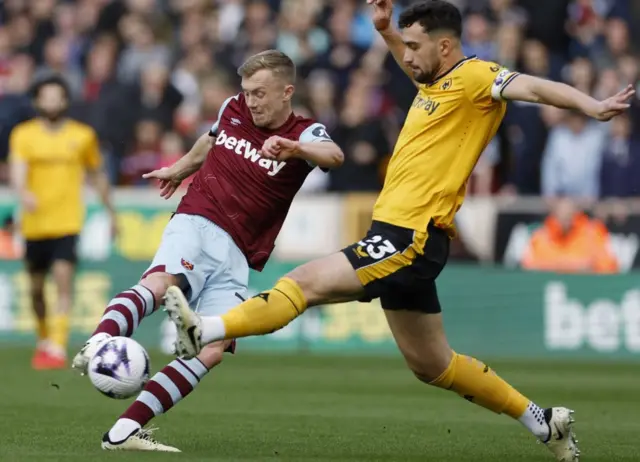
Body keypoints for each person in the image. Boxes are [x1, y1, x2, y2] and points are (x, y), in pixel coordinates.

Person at [165, 2, 635, 461]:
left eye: (414, 46)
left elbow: (533, 87)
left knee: (305, 282)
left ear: (445, 46)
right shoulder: (436, 84)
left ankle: (205, 328)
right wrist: (389, 31)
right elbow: (413, 61)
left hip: (409, 237)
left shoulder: (476, 78)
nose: (405, 57)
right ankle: (543, 420)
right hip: (403, 237)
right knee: (434, 365)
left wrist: (591, 104)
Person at [71, 49, 344, 452]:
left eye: (261, 93)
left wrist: (296, 149)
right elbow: (211, 140)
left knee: (211, 348)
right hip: (198, 219)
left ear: (287, 91)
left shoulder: (305, 131)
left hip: (240, 251)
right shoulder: (232, 108)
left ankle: (123, 433)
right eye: (248, 92)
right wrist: (181, 168)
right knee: (164, 282)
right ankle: (98, 343)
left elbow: (334, 156)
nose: (251, 101)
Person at [8, 74, 115, 370]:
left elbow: (98, 175)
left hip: (67, 221)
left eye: (58, 96)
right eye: (47, 96)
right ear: (37, 101)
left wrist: (111, 212)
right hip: (35, 222)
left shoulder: (82, 136)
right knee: (35, 288)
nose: (53, 102)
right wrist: (23, 193)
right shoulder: (24, 134)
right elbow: (18, 169)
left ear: (65, 101)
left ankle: (56, 345)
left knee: (63, 280)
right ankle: (44, 337)